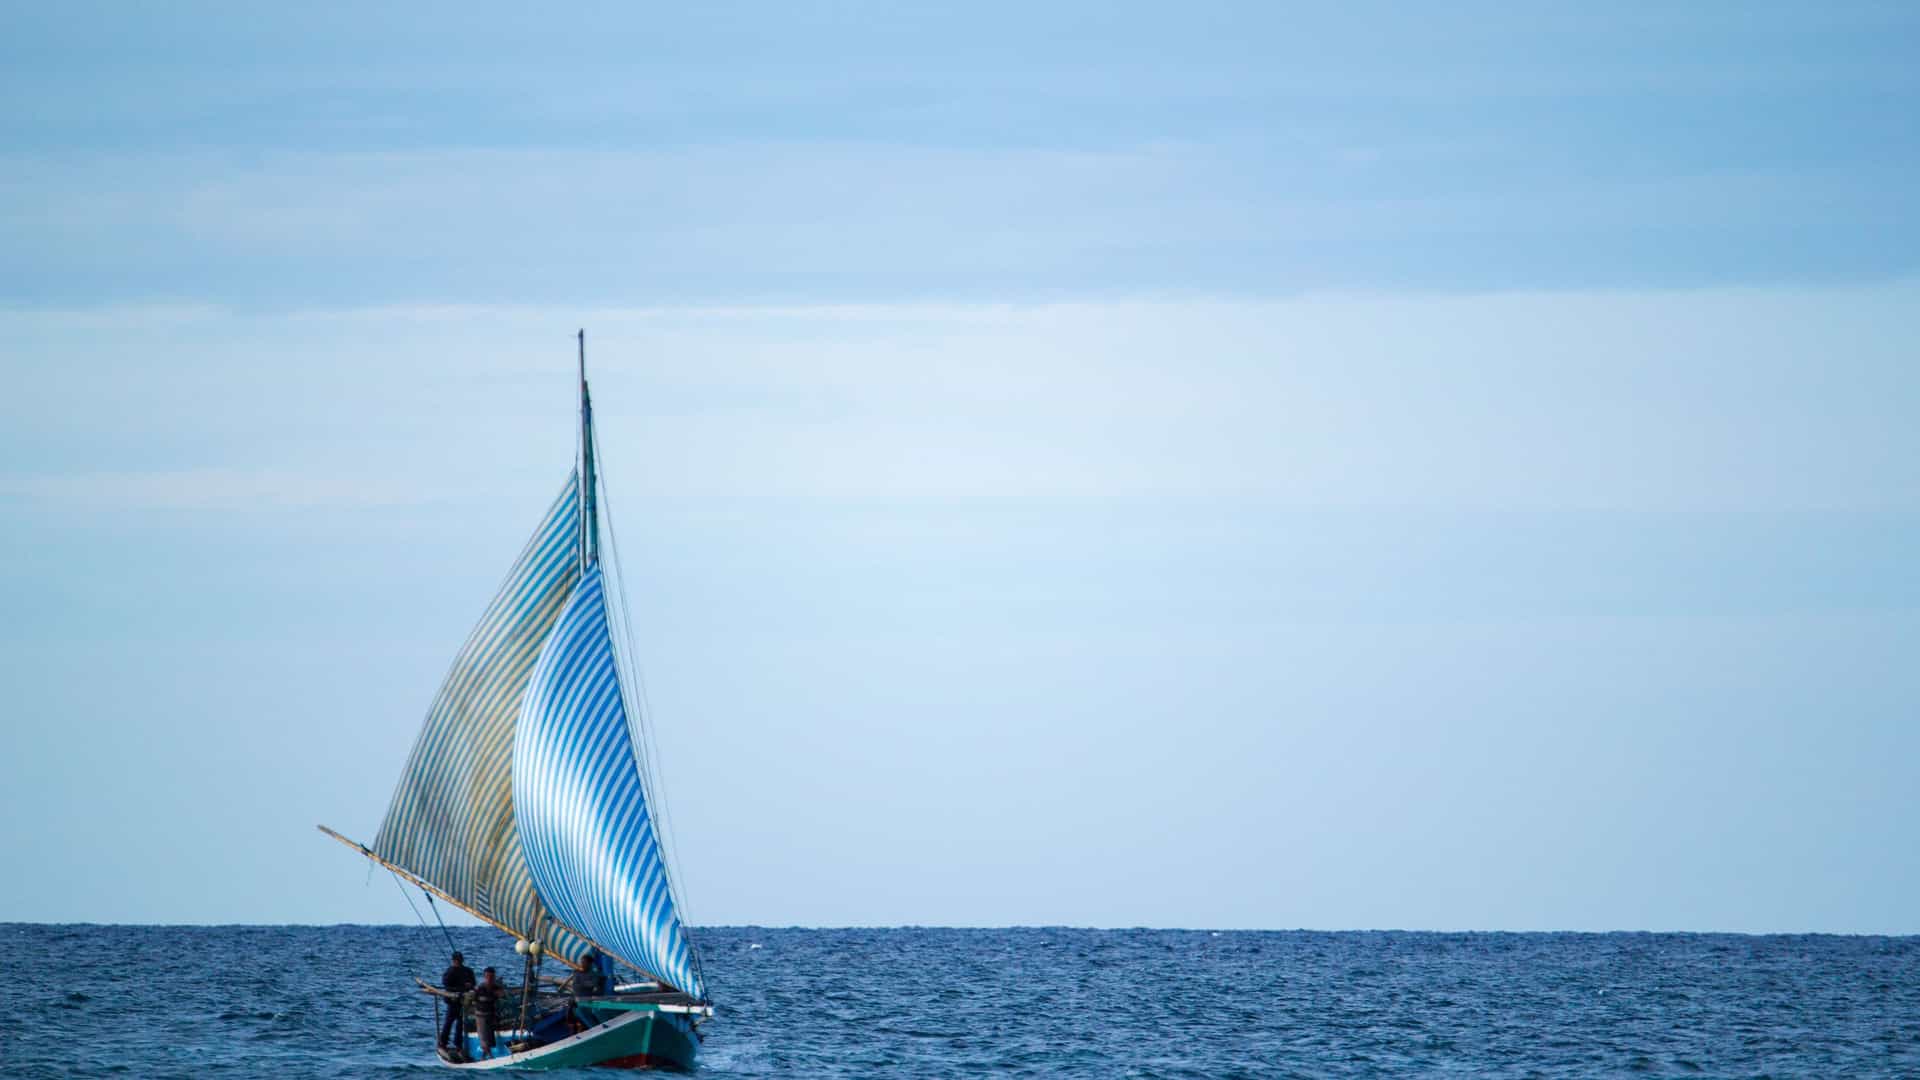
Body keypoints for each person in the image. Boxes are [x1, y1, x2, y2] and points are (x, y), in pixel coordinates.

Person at [438, 951, 477, 1049]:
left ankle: (457, 1044)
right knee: (449, 1022)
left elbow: (473, 983)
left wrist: (469, 985)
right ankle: (443, 1042)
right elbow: (446, 985)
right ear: (453, 960)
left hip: (464, 1001)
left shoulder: (468, 971)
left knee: (460, 1023)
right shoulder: (450, 972)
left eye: (459, 960)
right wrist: (459, 989)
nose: (457, 962)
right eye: (456, 960)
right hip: (453, 1001)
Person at [471, 967, 504, 1058]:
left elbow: (502, 996)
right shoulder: (480, 988)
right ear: (485, 977)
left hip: (491, 1015)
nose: (490, 979)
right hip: (481, 1015)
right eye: (488, 976)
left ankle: (484, 1056)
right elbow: (473, 1000)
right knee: (483, 1037)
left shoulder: (496, 988)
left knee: (489, 1037)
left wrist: (500, 993)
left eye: (492, 977)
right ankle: (490, 1056)